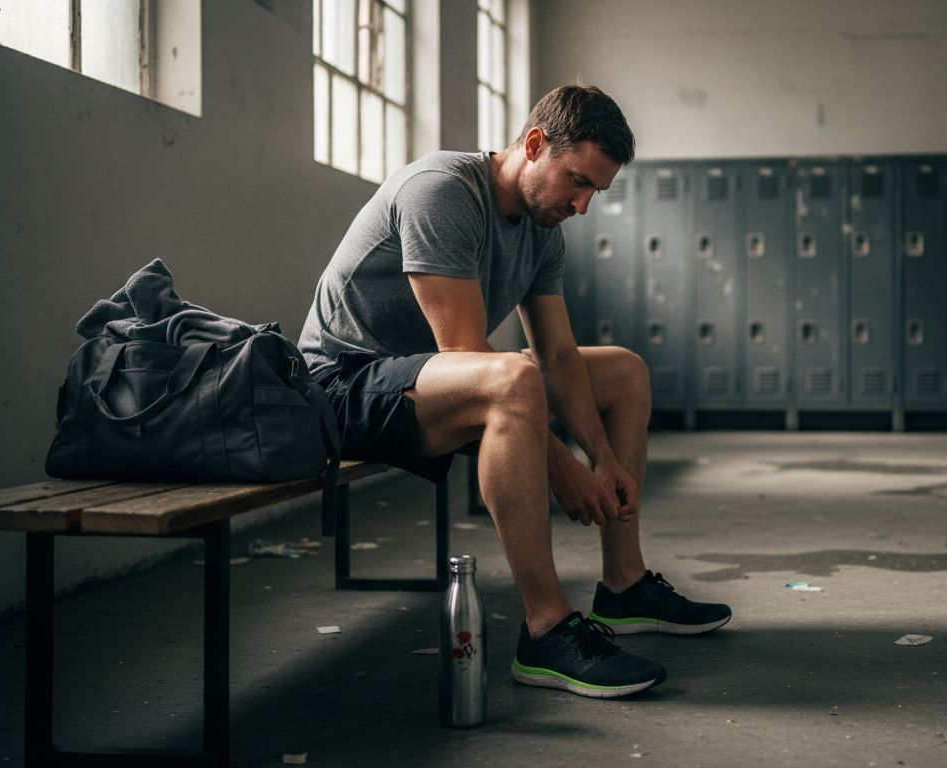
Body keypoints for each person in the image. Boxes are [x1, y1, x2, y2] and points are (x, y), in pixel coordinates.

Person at [298, 84, 731, 699]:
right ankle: (546, 632)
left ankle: (625, 585)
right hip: (342, 387)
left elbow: (556, 354)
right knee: (509, 378)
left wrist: (601, 459)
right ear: (534, 145)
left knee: (624, 371)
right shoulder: (443, 191)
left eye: (595, 193)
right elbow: (468, 356)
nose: (582, 206)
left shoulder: (542, 227)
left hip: (426, 381)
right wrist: (563, 467)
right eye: (577, 182)